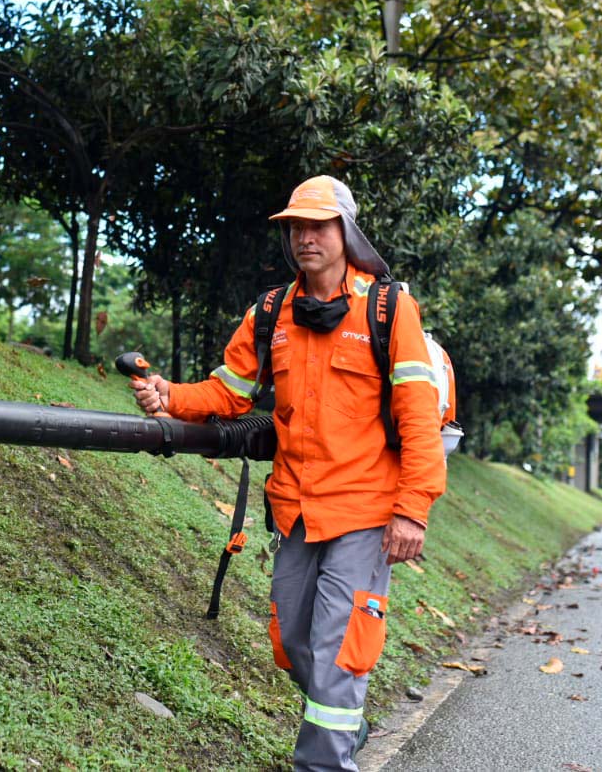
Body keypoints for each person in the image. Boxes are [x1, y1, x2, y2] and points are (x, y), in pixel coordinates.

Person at [129, 176, 445, 770]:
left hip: (364, 512)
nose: (306, 237)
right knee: (294, 644)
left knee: (336, 654)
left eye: (319, 225)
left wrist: (412, 508)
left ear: (346, 233)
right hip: (295, 510)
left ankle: (323, 762)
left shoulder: (388, 308)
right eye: (297, 227)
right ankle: (344, 729)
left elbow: (419, 419)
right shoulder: (271, 311)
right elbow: (228, 392)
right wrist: (169, 395)